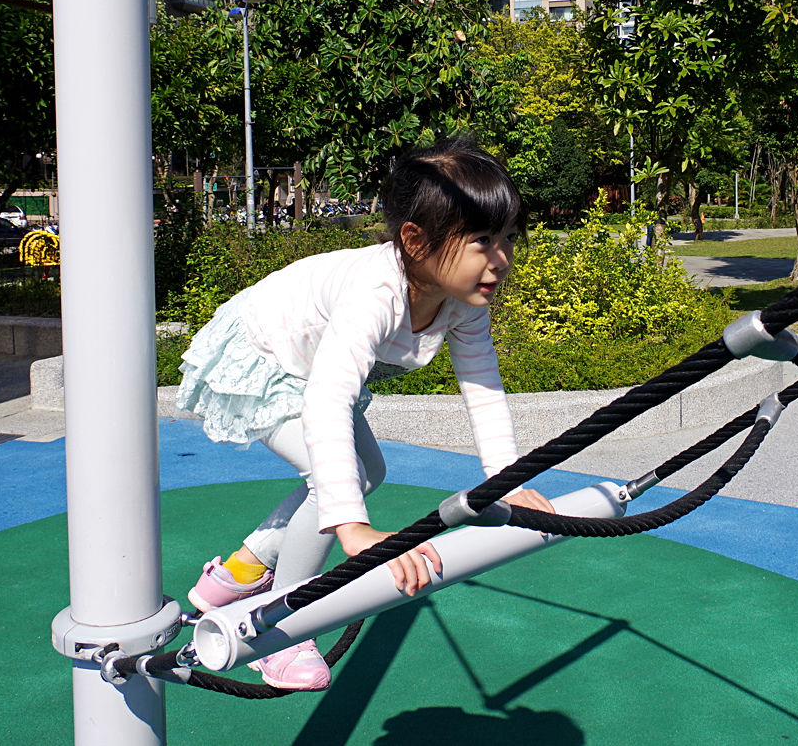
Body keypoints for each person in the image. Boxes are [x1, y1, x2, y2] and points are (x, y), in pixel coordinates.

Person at [174, 138, 554, 691]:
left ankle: (239, 572)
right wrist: (352, 529)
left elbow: (481, 384)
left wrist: (506, 482)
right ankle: (284, 626)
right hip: (266, 354)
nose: (500, 259)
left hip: (310, 366)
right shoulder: (375, 294)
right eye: (481, 242)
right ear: (415, 241)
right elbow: (327, 400)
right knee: (327, 484)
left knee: (367, 473)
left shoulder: (461, 298)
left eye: (506, 239)